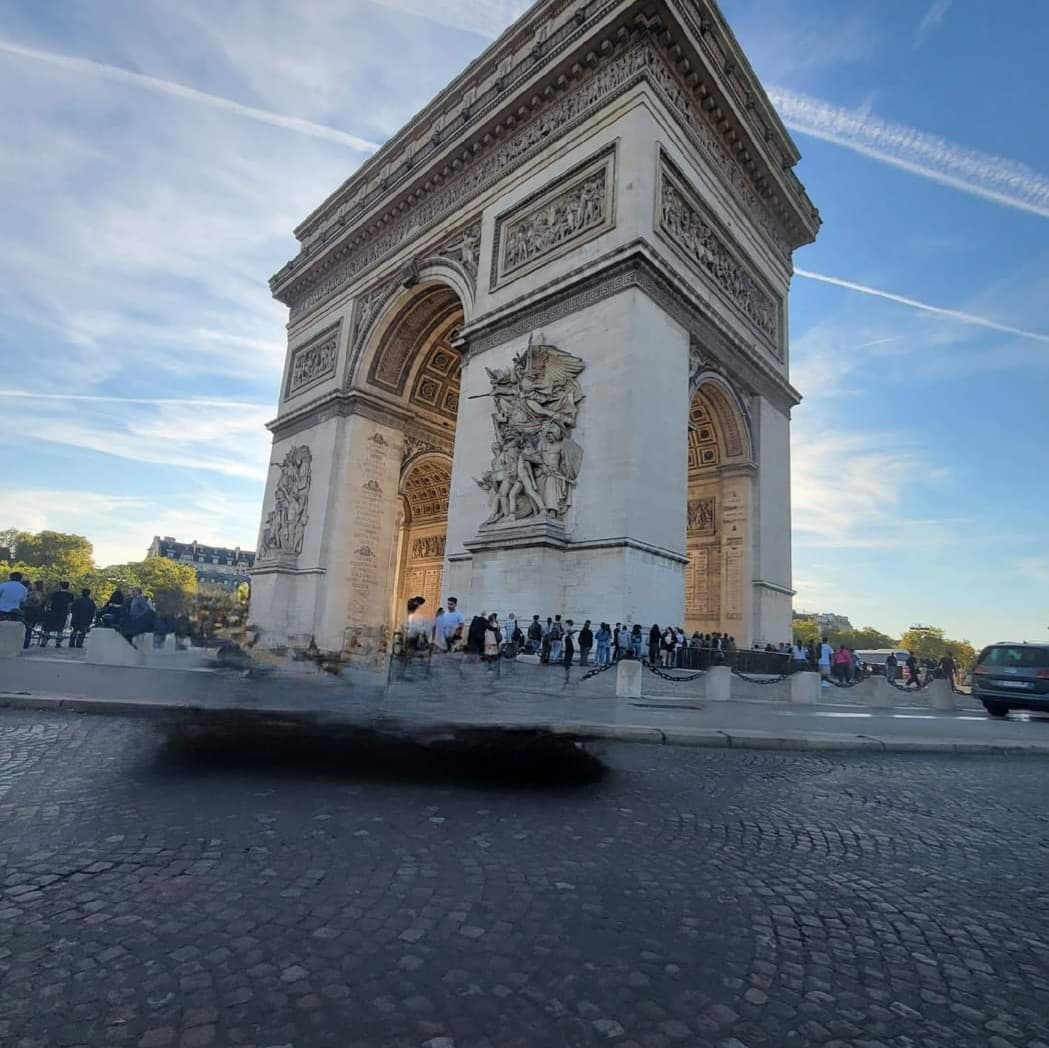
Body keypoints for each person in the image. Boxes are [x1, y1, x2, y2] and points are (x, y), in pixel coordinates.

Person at [41, 581, 75, 647]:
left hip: (53, 612)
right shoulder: (70, 595)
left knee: (47, 628)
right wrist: (68, 612)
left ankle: (44, 642)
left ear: (60, 586)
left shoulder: (55, 593)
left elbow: (50, 602)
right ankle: (58, 643)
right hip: (62, 613)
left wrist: (48, 609)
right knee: (60, 629)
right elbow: (69, 605)